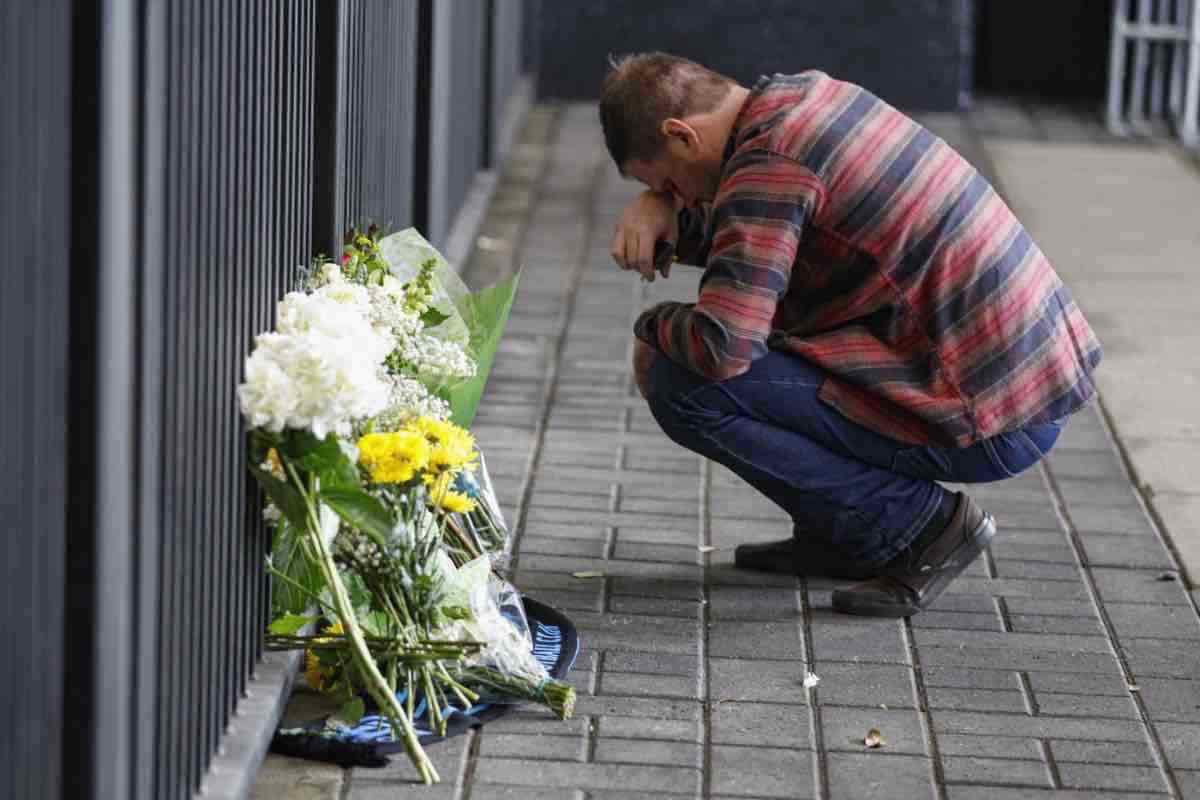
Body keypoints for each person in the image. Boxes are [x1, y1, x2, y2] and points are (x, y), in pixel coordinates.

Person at [600, 53, 1101, 618]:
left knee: (679, 378)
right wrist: (661, 209)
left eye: (669, 182)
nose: (683, 199)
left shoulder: (770, 162)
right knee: (710, 358)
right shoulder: (805, 100)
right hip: (1030, 378)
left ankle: (922, 527)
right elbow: (769, 237)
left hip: (995, 415)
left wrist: (650, 325)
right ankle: (843, 534)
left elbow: (724, 345)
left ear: (682, 134)